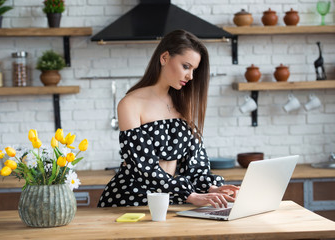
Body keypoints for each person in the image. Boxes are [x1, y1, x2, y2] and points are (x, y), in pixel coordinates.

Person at [98, 29, 239, 208]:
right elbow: (143, 169)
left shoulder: (182, 103)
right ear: (164, 58)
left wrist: (211, 187)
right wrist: (189, 195)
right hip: (132, 199)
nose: (191, 76)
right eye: (186, 66)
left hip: (171, 199)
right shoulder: (130, 104)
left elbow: (194, 161)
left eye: (194, 69)